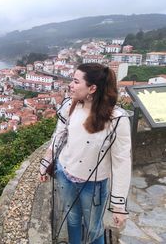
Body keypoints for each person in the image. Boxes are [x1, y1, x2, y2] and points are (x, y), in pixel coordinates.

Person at [39, 63, 131, 244]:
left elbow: (122, 162)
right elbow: (58, 137)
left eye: (75, 81)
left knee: (93, 227)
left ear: (92, 88)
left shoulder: (116, 119)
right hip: (65, 174)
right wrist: (45, 164)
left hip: (94, 185)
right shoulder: (69, 106)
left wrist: (119, 206)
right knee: (72, 219)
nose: (70, 85)